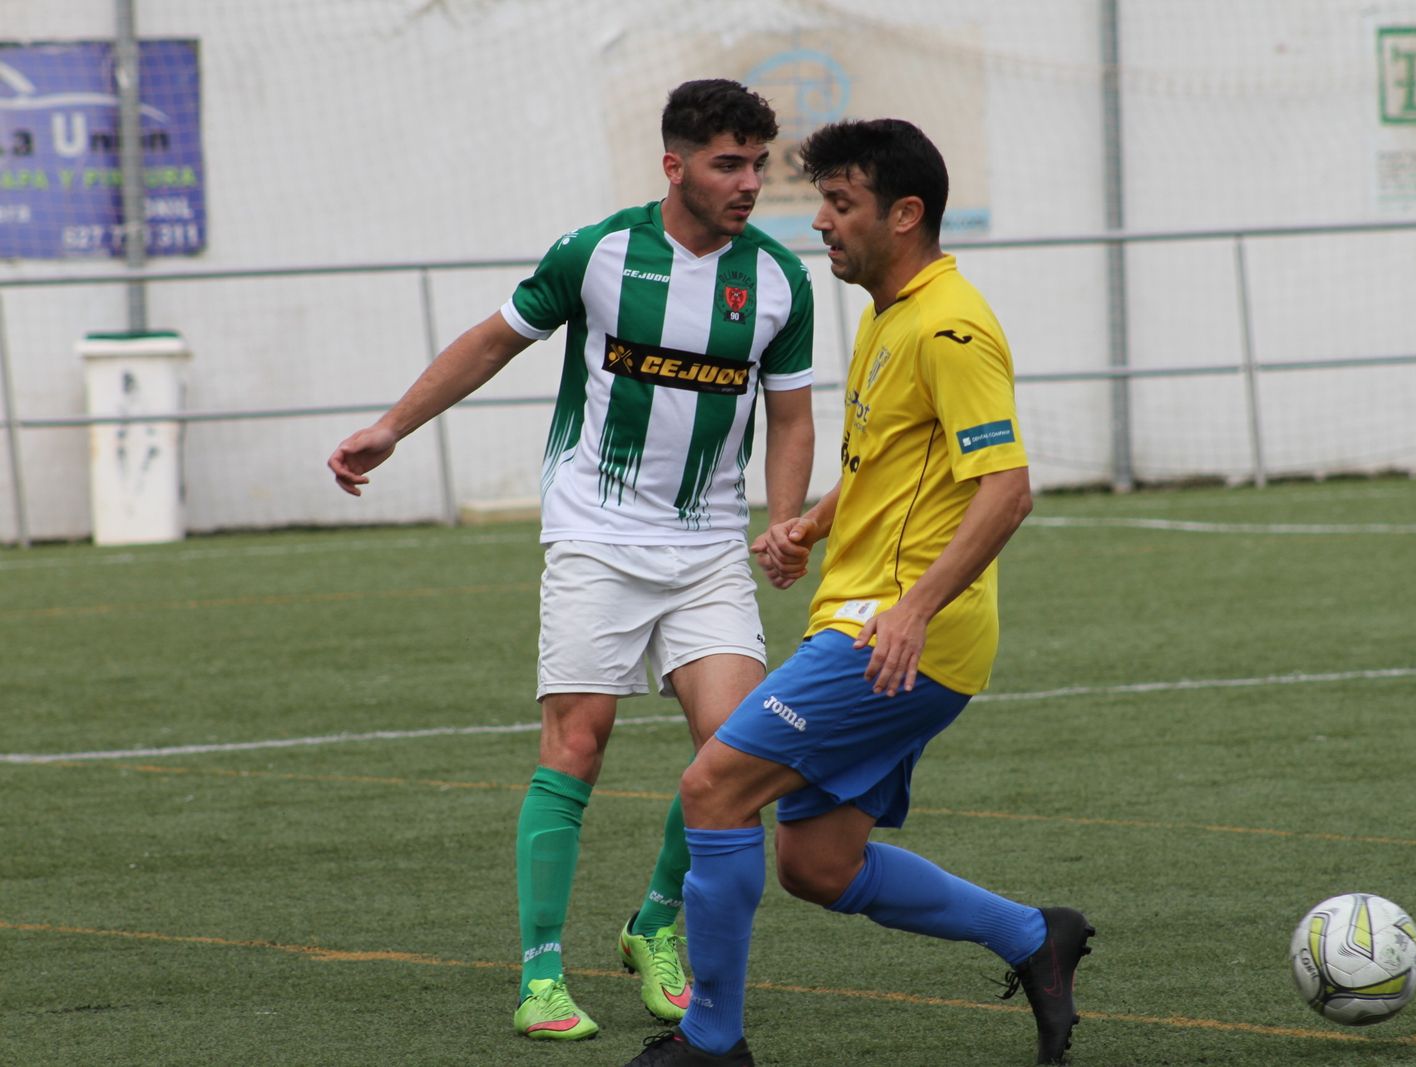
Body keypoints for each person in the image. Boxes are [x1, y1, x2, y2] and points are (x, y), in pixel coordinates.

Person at [327, 79, 815, 1042]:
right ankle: (541, 973)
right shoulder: (596, 253)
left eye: (758, 162)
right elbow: (491, 343)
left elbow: (792, 416)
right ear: (674, 165)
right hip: (594, 532)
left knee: (737, 754)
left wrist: (786, 521)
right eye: (729, 163)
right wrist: (392, 426)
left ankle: (653, 925)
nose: (750, 181)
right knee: (577, 745)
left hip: (709, 546)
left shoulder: (777, 281)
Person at [622, 118, 1094, 1067]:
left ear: (905, 213)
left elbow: (1007, 490)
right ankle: (1033, 935)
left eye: (840, 206)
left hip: (898, 638)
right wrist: (813, 523)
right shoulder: (889, 311)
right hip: (869, 624)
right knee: (817, 865)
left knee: (713, 787)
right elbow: (889, 464)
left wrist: (913, 609)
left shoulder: (951, 326)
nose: (822, 226)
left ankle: (713, 1043)